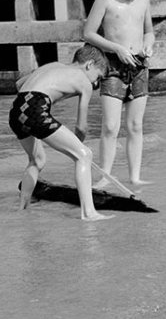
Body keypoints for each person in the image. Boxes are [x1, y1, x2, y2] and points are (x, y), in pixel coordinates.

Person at [8, 45, 112, 221]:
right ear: (89, 64)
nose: (95, 83)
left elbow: (19, 84)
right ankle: (89, 213)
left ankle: (22, 208)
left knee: (37, 160)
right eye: (98, 76)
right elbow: (81, 127)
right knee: (84, 155)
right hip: (35, 107)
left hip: (16, 109)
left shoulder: (53, 65)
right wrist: (78, 147)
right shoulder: (84, 83)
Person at [82, 0, 155, 188]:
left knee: (135, 125)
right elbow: (89, 33)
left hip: (139, 66)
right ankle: (105, 176)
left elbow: (149, 31)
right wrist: (117, 48)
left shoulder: (143, 1)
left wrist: (149, 44)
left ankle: (134, 176)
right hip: (113, 67)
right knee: (111, 126)